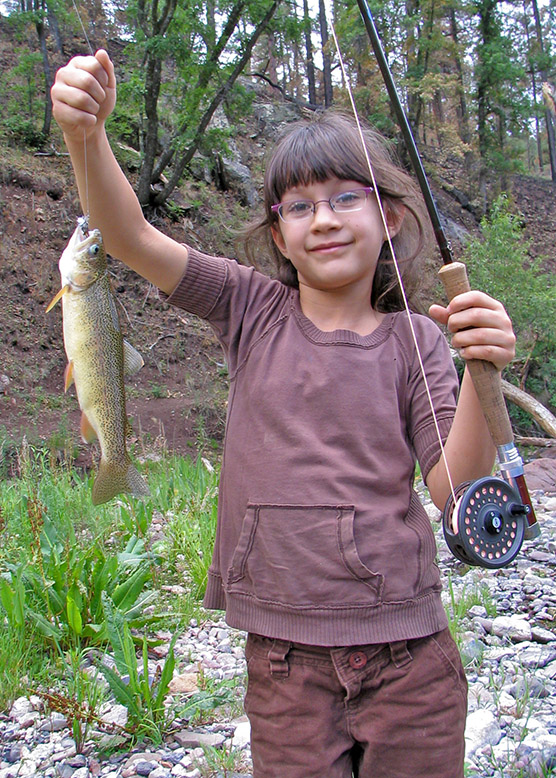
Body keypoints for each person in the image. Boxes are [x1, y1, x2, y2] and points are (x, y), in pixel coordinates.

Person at [51, 50, 516, 778]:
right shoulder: (249, 308)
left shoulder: (416, 339)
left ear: (389, 216)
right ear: (277, 236)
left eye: (344, 198)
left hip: (411, 657)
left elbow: (454, 490)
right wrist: (87, 137)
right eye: (299, 207)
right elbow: (131, 238)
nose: (322, 220)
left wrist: (482, 369)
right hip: (283, 665)